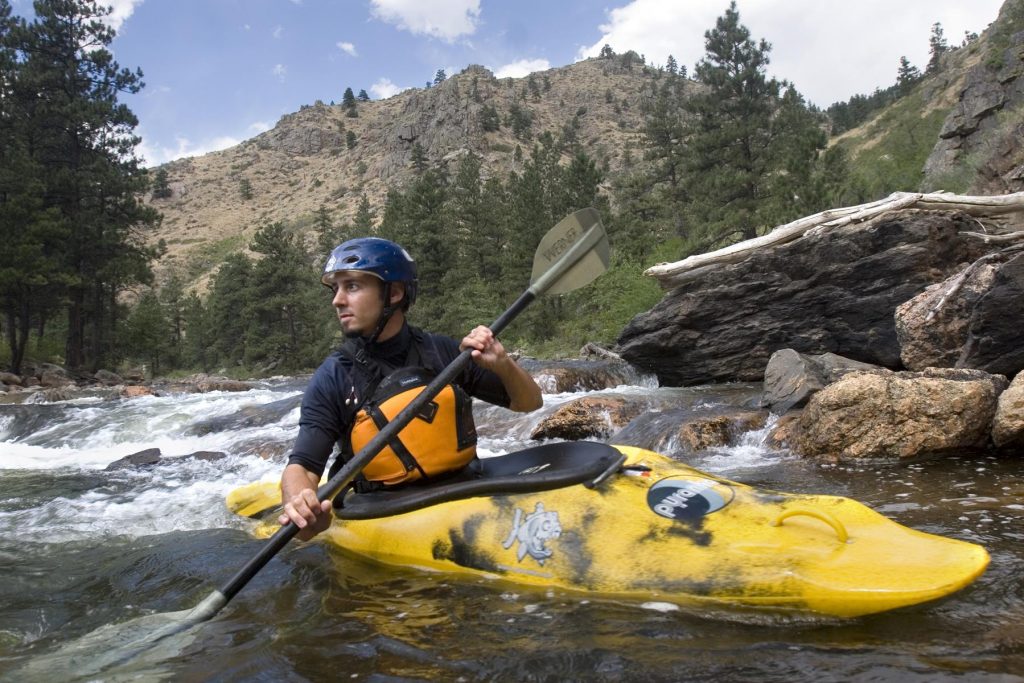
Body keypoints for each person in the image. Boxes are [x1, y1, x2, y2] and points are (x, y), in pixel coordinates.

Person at [279, 237, 543, 540]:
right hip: (384, 511)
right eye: (336, 288)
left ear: (394, 292)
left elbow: (530, 403)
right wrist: (300, 502)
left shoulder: (444, 353)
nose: (337, 300)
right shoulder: (335, 376)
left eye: (351, 286)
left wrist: (503, 364)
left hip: (465, 490)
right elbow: (303, 466)